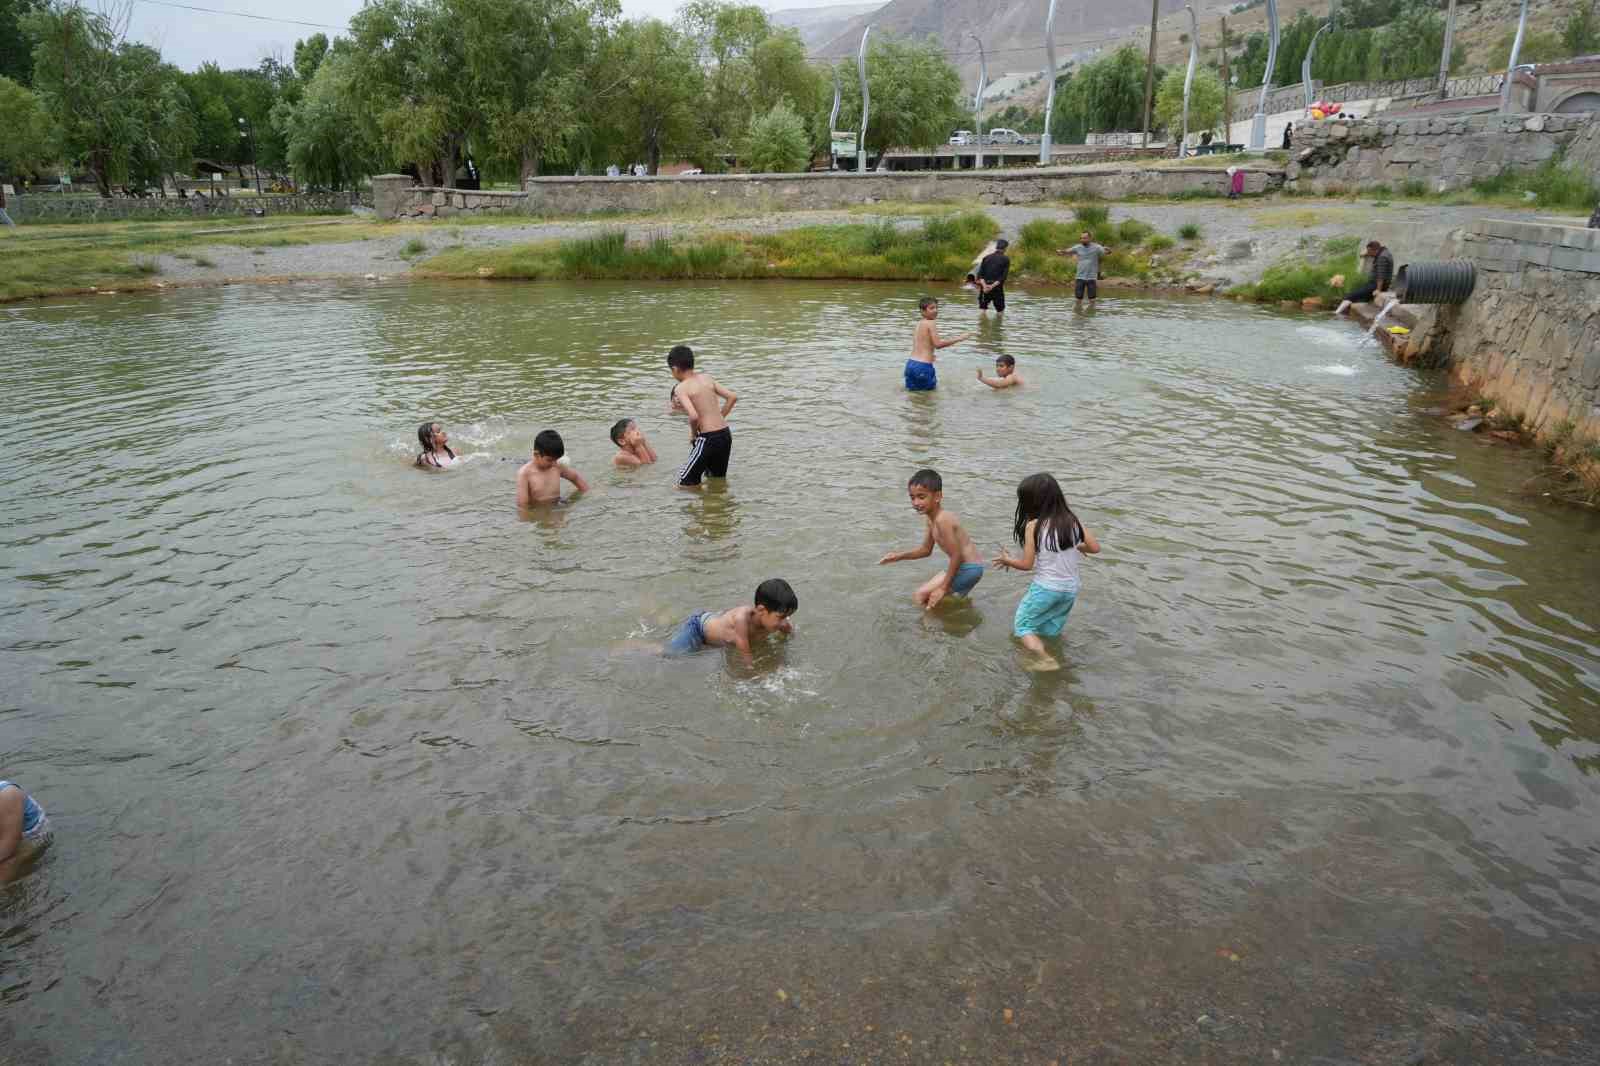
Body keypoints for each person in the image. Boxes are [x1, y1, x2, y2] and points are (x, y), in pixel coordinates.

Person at [993, 472, 1101, 671]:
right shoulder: (1072, 520)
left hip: (1047, 588)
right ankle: (1048, 654)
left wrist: (1008, 560)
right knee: (1051, 628)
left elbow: (1027, 565)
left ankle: (1044, 658)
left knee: (1023, 626)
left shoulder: (1034, 526)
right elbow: (1095, 548)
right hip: (1070, 589)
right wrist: (1076, 546)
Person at [879, 468, 985, 610]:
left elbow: (957, 555)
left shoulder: (943, 519)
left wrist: (943, 588)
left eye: (921, 497)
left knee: (921, 596)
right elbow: (925, 550)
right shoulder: (931, 520)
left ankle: (928, 631)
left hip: (969, 569)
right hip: (964, 567)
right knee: (933, 600)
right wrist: (898, 556)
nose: (916, 502)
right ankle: (962, 618)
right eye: (912, 497)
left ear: (938, 496)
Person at [664, 578, 797, 663]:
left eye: (786, 617)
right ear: (761, 610)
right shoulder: (742, 621)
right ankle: (643, 646)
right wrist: (758, 676)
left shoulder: (777, 621)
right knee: (669, 656)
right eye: (781, 617)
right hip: (698, 629)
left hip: (721, 626)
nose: (784, 622)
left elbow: (789, 636)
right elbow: (745, 657)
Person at [667, 345, 736, 487]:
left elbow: (693, 416)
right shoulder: (707, 378)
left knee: (683, 483)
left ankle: (702, 503)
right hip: (725, 434)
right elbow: (732, 397)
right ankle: (716, 504)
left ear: (675, 369)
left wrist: (692, 435)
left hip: (708, 439)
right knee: (716, 479)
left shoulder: (681, 387)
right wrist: (720, 417)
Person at [906, 296, 973, 391]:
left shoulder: (919, 323)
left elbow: (922, 343)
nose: (935, 310)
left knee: (914, 397)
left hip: (911, 365)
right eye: (932, 308)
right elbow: (938, 345)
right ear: (922, 310)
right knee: (929, 400)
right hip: (923, 367)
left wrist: (931, 354)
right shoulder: (931, 322)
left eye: (937, 307)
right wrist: (959, 338)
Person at [516, 429, 590, 506]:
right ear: (536, 454)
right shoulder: (524, 474)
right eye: (550, 460)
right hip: (539, 509)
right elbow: (522, 506)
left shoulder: (556, 466)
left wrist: (586, 492)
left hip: (558, 504)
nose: (554, 463)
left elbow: (575, 477)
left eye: (556, 459)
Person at [0, 779, 51, 881]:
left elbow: (9, 844)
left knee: (6, 864)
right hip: (7, 832)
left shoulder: (8, 794)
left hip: (32, 837)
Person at [1335, 240, 1395, 315]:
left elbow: (1381, 275)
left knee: (1350, 296)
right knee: (1360, 297)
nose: (1368, 253)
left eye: (1369, 251)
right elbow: (1374, 253)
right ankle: (1344, 314)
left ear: (1375, 250)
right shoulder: (1384, 252)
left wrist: (1378, 290)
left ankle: (1335, 314)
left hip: (1376, 285)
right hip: (1375, 283)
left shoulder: (1382, 257)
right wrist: (1366, 254)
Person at [1064, 231, 1108, 308]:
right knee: (1078, 300)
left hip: (1091, 277)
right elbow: (1067, 251)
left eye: (1084, 238)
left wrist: (1109, 250)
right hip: (1079, 277)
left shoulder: (1097, 247)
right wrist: (1061, 252)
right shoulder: (1077, 247)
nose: (1082, 240)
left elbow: (1105, 252)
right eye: (1081, 238)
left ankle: (1091, 316)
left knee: (1092, 300)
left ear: (1090, 238)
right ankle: (1078, 316)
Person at [976, 238, 1011, 316]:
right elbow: (1003, 277)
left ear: (996, 247)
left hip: (984, 288)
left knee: (982, 311)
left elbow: (980, 275)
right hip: (997, 288)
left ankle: (983, 326)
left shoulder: (986, 257)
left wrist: (985, 286)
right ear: (1005, 248)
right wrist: (991, 286)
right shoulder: (1005, 259)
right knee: (1000, 312)